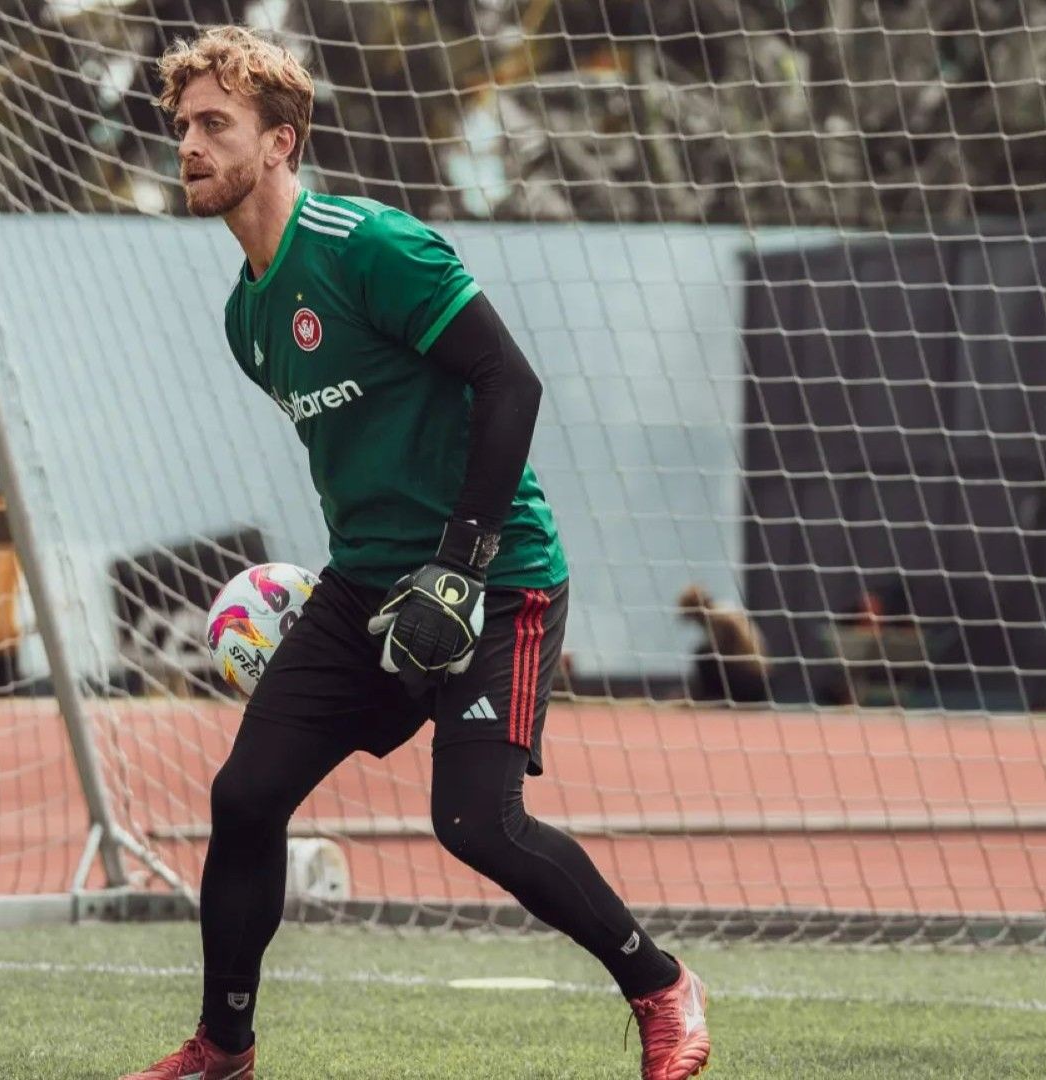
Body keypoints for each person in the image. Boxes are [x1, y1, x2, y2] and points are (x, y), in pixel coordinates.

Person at [123, 26, 709, 1080]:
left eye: (216, 125)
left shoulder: (366, 245)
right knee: (245, 797)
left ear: (282, 141)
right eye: (182, 130)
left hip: (499, 577)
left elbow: (511, 385)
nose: (191, 148)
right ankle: (225, 1049)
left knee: (475, 822)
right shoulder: (247, 317)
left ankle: (661, 986)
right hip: (363, 589)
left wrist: (461, 561)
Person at [677, 585, 769, 704]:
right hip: (756, 678)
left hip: (751, 680)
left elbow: (721, 651)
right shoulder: (721, 611)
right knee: (705, 654)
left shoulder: (719, 618)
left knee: (703, 655)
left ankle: (712, 696)